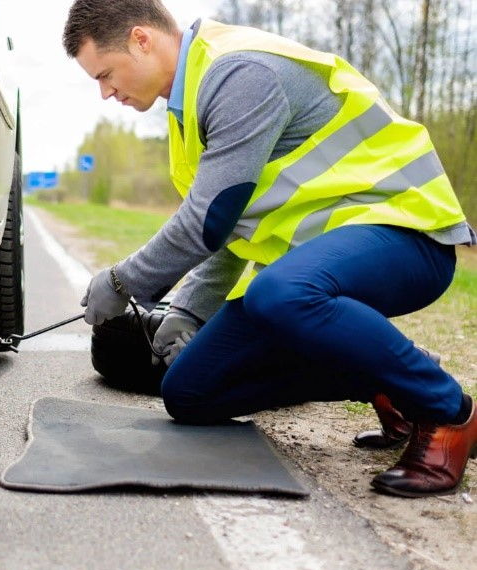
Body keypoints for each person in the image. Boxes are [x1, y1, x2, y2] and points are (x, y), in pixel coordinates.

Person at [64, 0, 476, 497]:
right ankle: (385, 381)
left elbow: (207, 220)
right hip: (319, 267)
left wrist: (122, 281)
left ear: (141, 40)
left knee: (276, 294)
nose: (106, 92)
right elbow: (234, 227)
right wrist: (190, 310)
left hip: (408, 235)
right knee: (190, 392)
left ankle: (447, 411)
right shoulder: (187, 106)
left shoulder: (239, 73)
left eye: (105, 74)